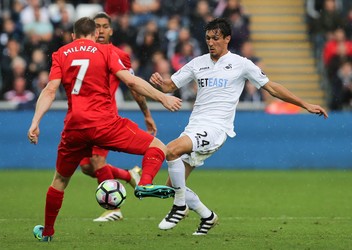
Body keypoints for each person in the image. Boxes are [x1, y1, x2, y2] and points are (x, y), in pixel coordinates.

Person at [149, 17, 328, 236]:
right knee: (173, 184)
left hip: (216, 128)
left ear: (227, 38)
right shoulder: (198, 63)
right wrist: (159, 83)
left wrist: (305, 104)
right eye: (208, 38)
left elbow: (271, 87)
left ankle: (179, 207)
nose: (211, 42)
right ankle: (208, 217)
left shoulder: (241, 64)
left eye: (216, 38)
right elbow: (170, 85)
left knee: (171, 150)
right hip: (194, 126)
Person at [27, 17, 182, 242]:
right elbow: (131, 82)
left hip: (75, 127)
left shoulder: (61, 53)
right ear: (93, 34)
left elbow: (51, 90)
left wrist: (35, 122)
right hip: (105, 124)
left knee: (60, 180)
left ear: (73, 36)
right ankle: (144, 182)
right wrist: (162, 97)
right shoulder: (105, 52)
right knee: (158, 147)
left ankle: (48, 232)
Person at [79, 12, 157, 222]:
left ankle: (114, 209)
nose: (101, 30)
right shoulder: (83, 53)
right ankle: (128, 175)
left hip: (105, 120)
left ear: (111, 30)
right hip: (84, 120)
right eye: (97, 26)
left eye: (105, 26)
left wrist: (147, 114)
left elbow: (133, 86)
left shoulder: (118, 55)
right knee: (87, 167)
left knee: (97, 160)